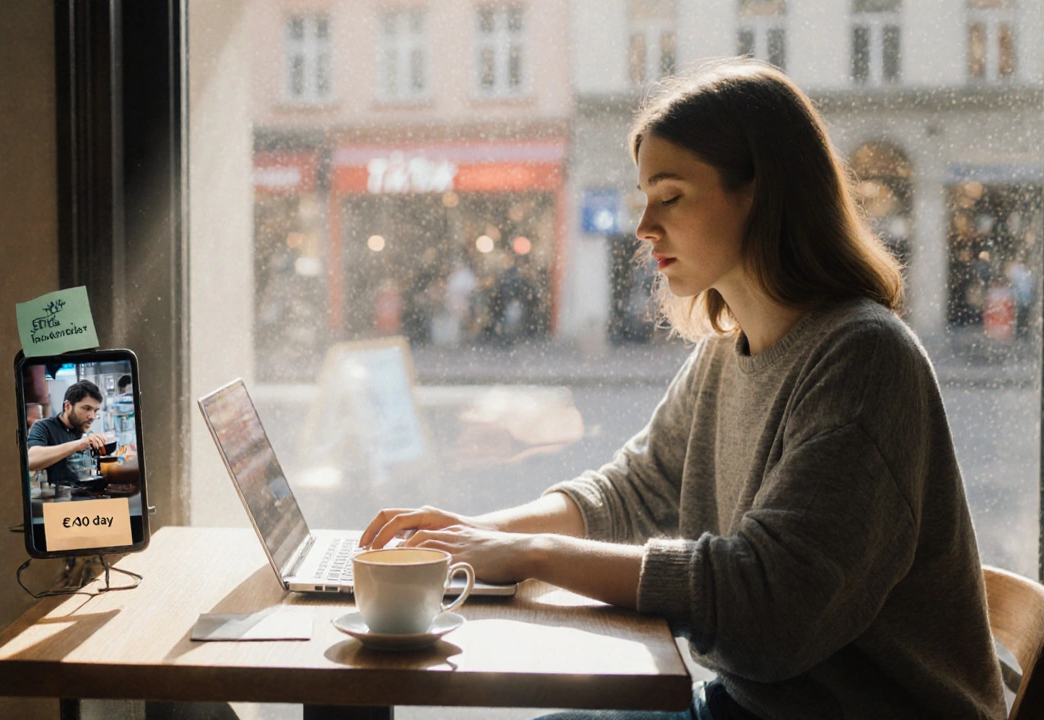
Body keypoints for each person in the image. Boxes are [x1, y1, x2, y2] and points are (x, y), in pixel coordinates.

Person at [359, 59, 1005, 720]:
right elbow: (632, 491)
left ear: (763, 193)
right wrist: (470, 538)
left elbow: (767, 609)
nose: (643, 227)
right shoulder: (726, 352)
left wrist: (528, 552)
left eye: (669, 196)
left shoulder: (864, 358)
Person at [27, 380, 107, 489]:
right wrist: (79, 444)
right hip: (54, 499)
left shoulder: (82, 431)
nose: (92, 416)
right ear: (68, 406)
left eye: (95, 411)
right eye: (87, 408)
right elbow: (31, 460)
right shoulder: (44, 427)